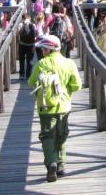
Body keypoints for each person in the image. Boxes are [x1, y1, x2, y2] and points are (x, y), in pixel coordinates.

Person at [28, 34, 82, 182]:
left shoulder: (41, 64)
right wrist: (66, 90)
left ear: (47, 50)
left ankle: (51, 162)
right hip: (64, 106)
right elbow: (77, 85)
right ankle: (61, 164)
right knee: (61, 135)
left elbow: (31, 82)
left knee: (47, 136)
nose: (42, 51)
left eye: (43, 49)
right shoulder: (69, 63)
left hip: (46, 108)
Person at [17, 12, 37, 79]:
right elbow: (35, 35)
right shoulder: (33, 25)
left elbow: (18, 33)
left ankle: (22, 75)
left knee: (22, 60)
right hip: (31, 45)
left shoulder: (21, 24)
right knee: (29, 60)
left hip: (22, 44)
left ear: (22, 18)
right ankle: (28, 75)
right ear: (29, 18)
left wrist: (23, 25)